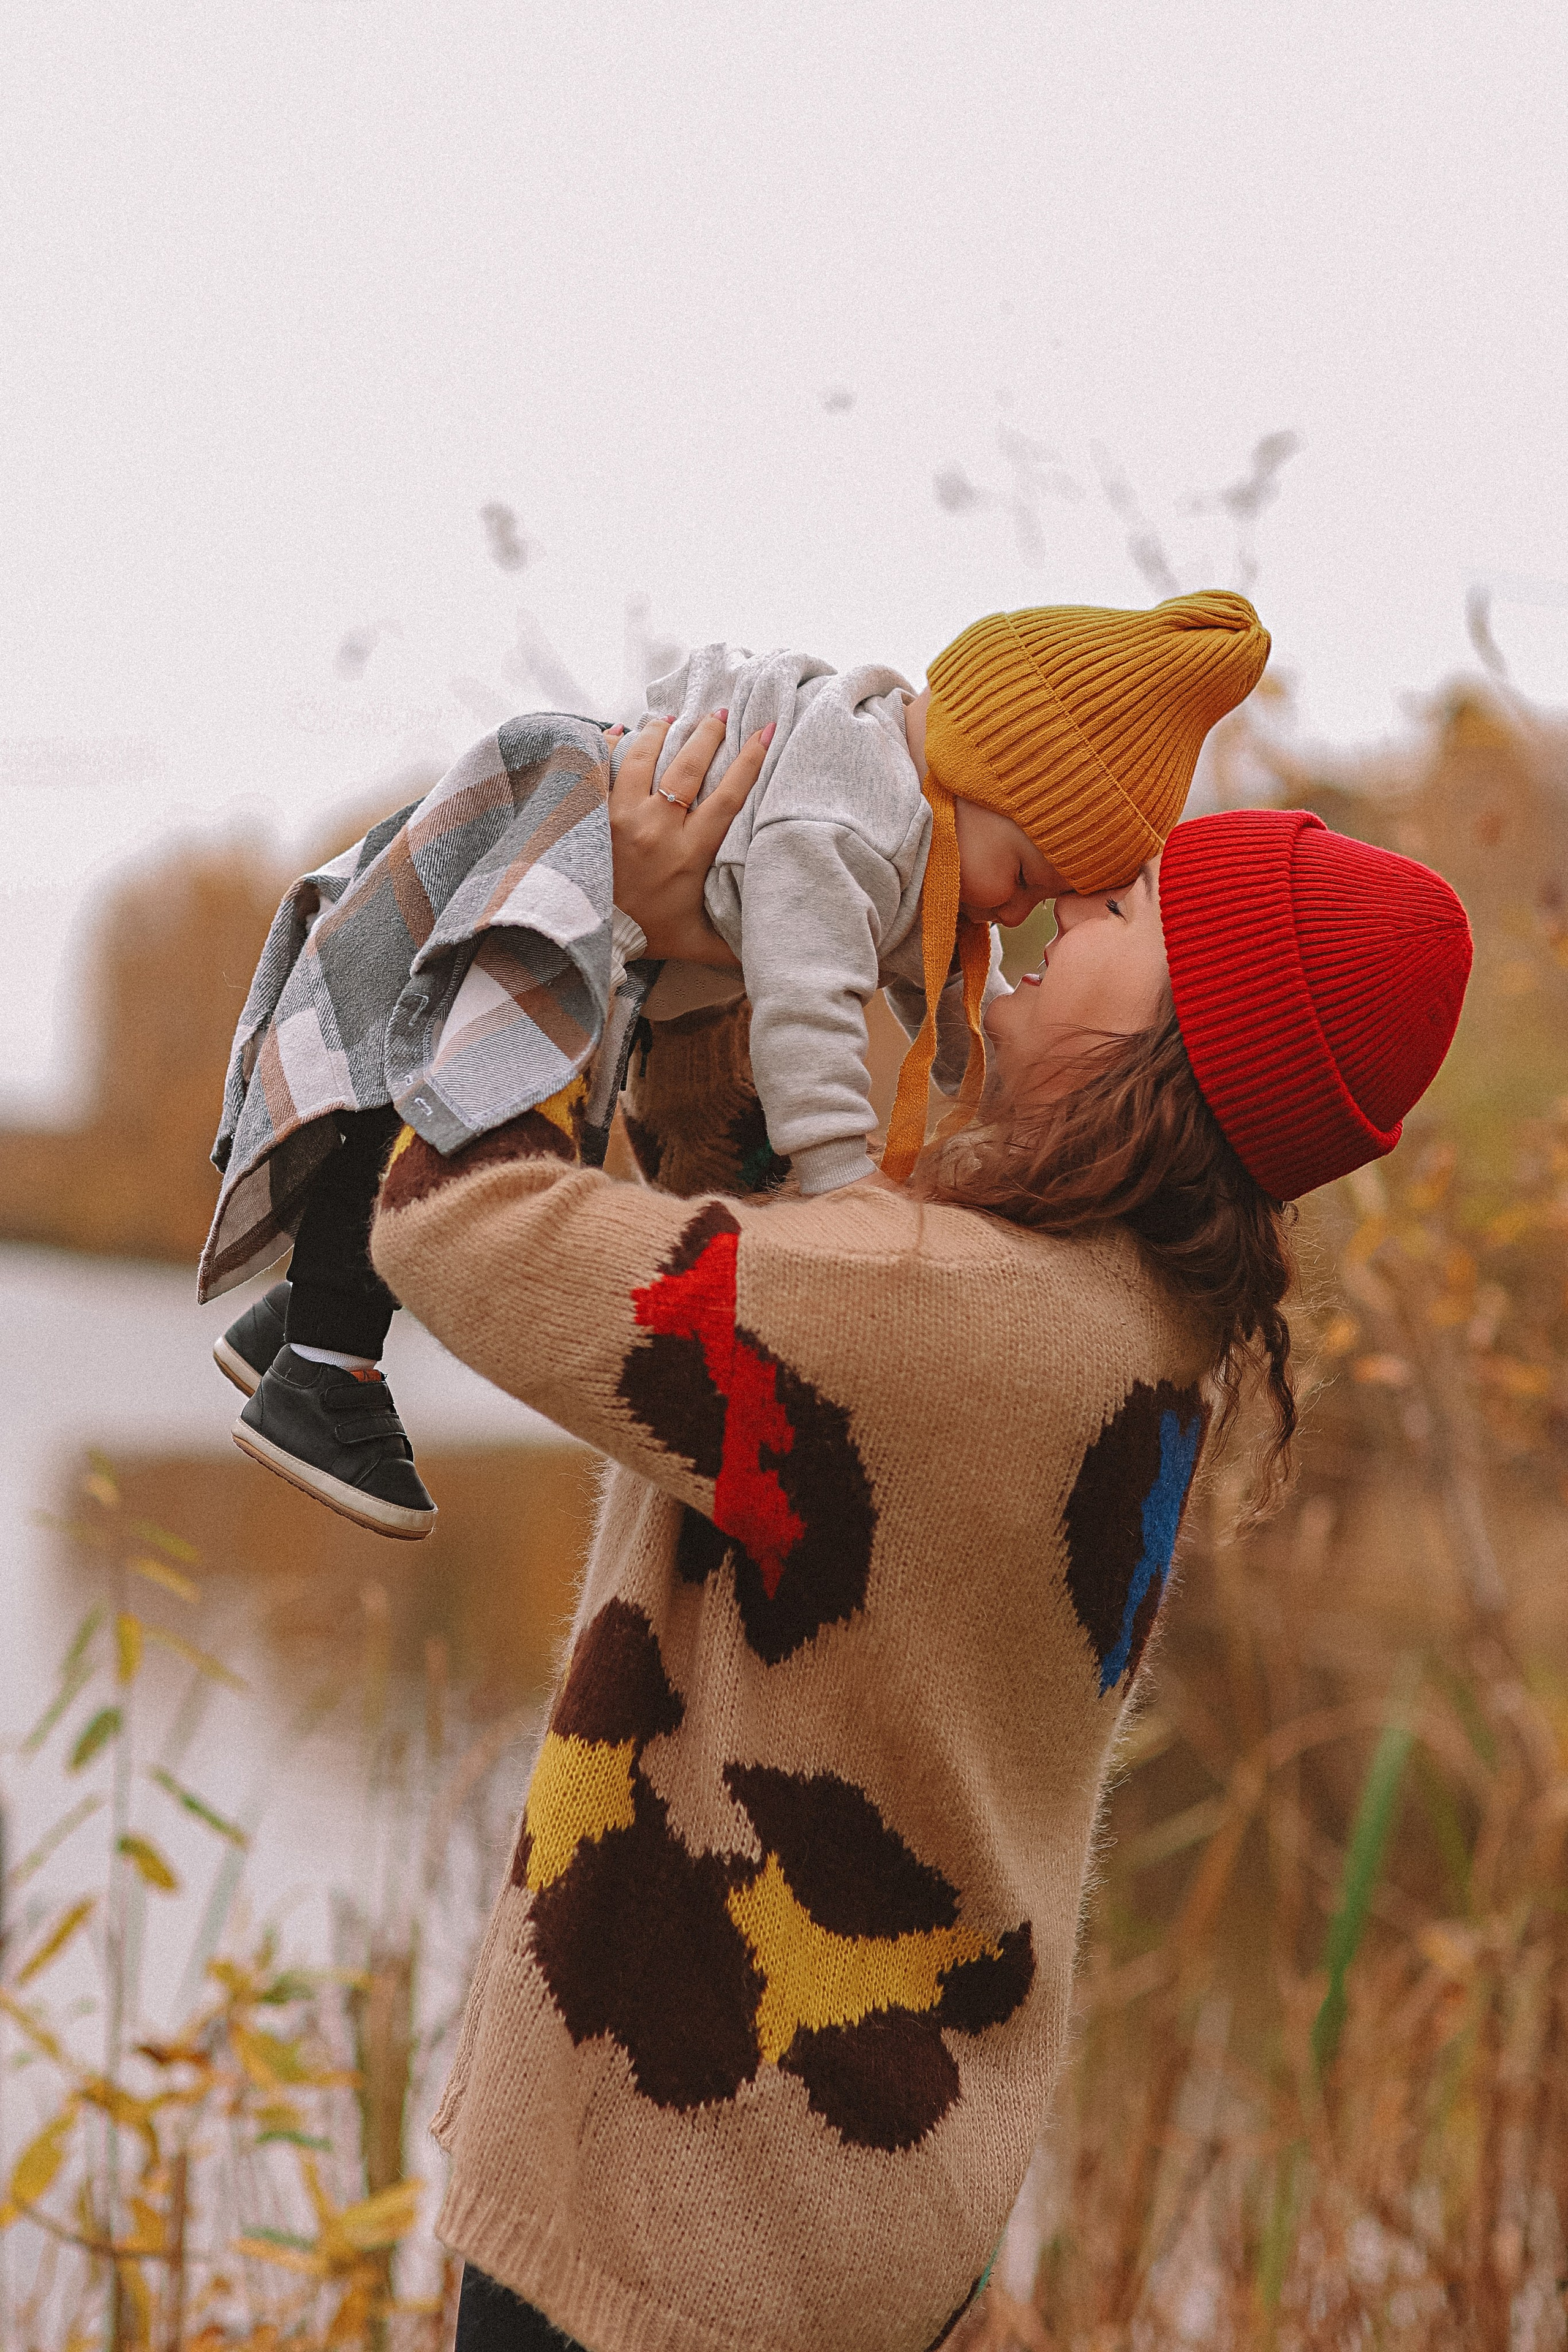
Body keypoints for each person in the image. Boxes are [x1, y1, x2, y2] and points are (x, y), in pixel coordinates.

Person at [366, 789, 1472, 2352]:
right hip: (843, 2207)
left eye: (1133, 912)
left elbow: (455, 1224)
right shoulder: (1125, 1327)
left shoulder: (951, 1323)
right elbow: (764, 1268)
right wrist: (714, 978)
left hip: (684, 2227)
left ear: (1185, 1049)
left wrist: (569, 904)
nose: (1078, 898)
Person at [202, 592, 1270, 1541]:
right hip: (565, 814)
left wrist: (966, 1071)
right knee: (477, 1062)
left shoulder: (928, 839)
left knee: (457, 1064)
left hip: (610, 842)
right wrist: (840, 1177)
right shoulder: (852, 821)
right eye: (1035, 876)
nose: (1025, 915)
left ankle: (316, 1322)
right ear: (987, 776)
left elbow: (930, 984)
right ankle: (324, 1354)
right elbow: (809, 1004)